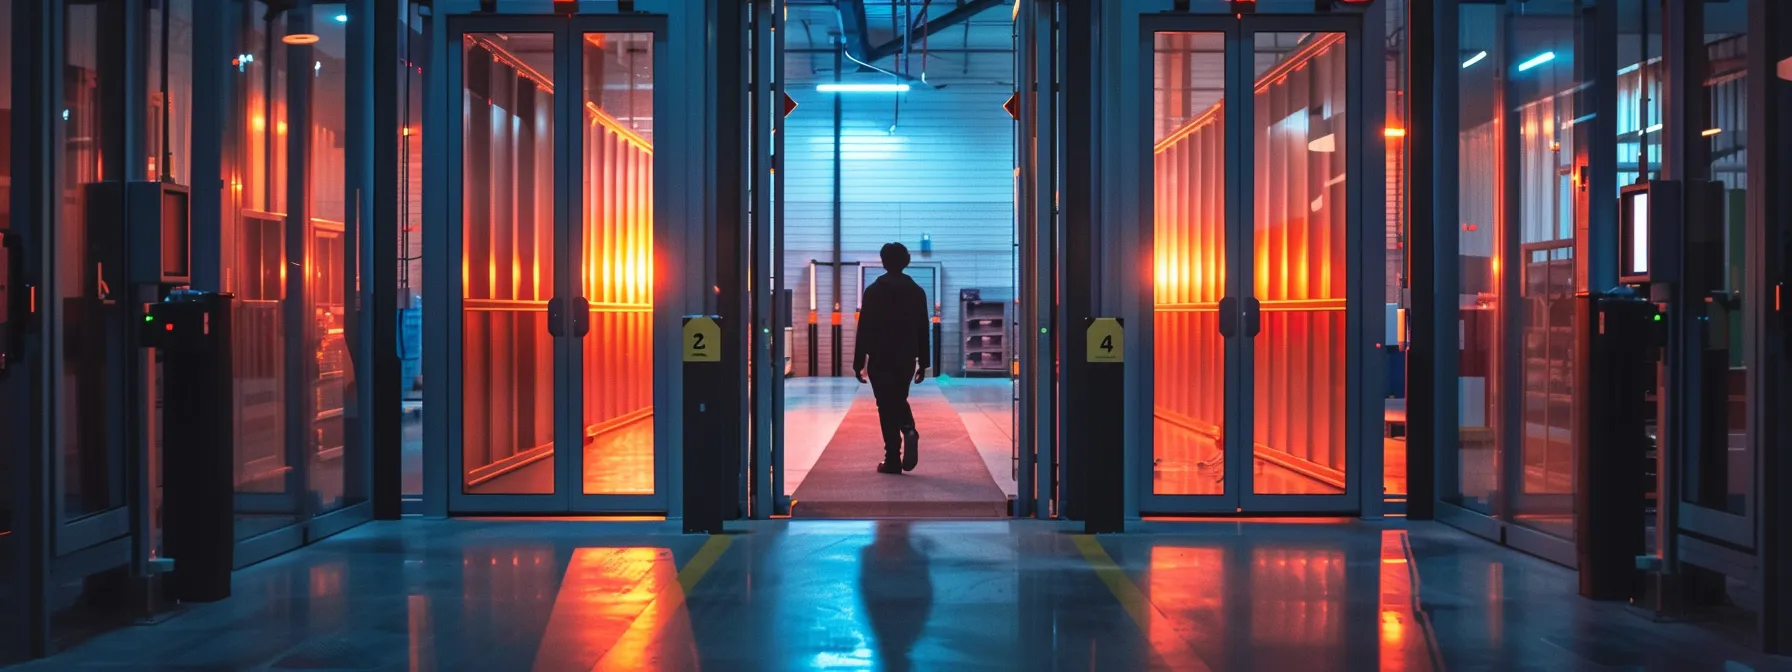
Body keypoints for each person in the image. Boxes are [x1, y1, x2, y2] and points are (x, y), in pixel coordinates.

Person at [854, 242, 930, 475]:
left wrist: (859, 363)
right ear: (905, 261)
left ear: (883, 262)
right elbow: (922, 328)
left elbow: (864, 328)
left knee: (885, 404)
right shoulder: (916, 291)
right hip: (906, 356)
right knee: (898, 397)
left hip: (880, 356)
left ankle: (893, 459)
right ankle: (907, 428)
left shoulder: (874, 291)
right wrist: (924, 363)